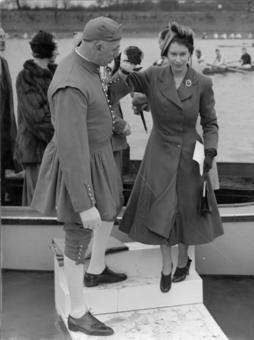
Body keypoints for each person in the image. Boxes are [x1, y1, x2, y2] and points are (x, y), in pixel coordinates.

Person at [32, 17, 132, 336]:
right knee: (79, 232)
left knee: (109, 211)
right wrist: (83, 202)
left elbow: (98, 91)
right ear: (98, 46)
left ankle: (97, 268)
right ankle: (78, 312)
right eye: (113, 50)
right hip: (82, 163)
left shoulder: (87, 56)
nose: (115, 57)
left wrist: (113, 122)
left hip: (100, 155)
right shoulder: (70, 85)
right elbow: (72, 150)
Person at [119, 22, 224, 293]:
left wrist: (210, 150)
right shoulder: (153, 74)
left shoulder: (203, 82)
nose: (178, 60)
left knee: (188, 209)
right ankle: (165, 264)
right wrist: (121, 66)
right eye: (173, 54)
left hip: (193, 151)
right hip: (160, 149)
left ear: (190, 54)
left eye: (183, 55)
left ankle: (182, 260)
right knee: (161, 207)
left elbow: (210, 122)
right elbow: (123, 84)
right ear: (165, 53)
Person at [14, 30, 58, 206]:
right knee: (37, 202)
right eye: (56, 47)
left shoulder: (56, 73)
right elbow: (37, 118)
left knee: (51, 201)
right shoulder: (26, 77)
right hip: (36, 150)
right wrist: (61, 139)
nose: (59, 51)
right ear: (48, 50)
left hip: (54, 149)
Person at [0, 28, 18, 204]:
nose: (3, 39)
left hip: (4, 137)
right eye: (0, 37)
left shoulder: (3, 63)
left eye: (4, 36)